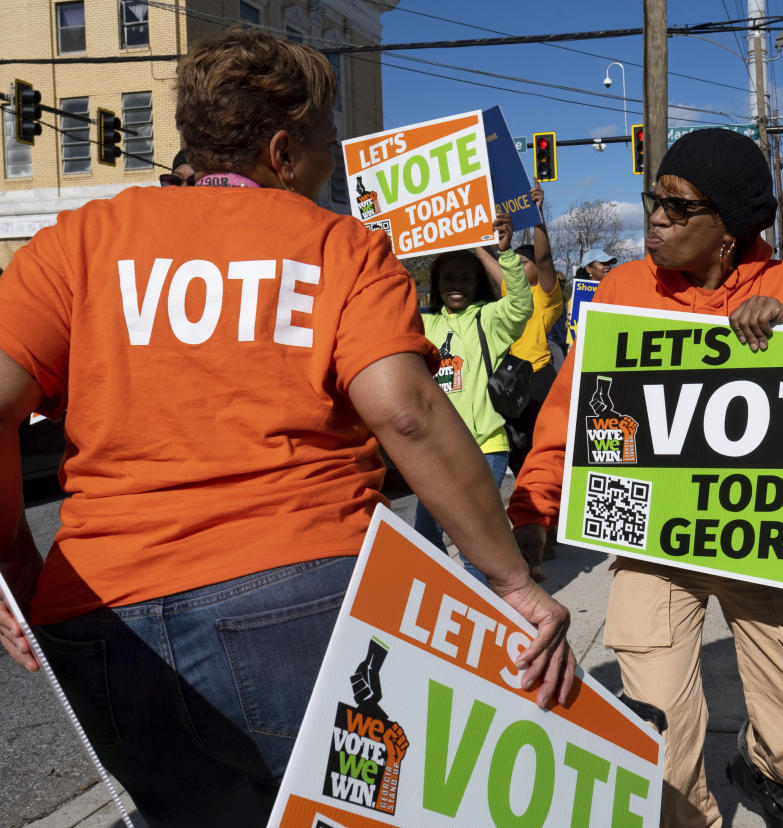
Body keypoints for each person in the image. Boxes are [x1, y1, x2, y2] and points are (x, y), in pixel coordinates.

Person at [0, 28, 573, 827]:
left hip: (100, 618)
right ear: (282, 151)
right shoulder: (339, 247)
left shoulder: (78, 243)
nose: (333, 163)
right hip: (298, 603)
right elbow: (406, 412)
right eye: (327, 142)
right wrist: (514, 586)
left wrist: (17, 569)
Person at [508, 128, 783, 828]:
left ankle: (766, 773)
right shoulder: (623, 288)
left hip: (766, 538)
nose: (654, 218)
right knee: (655, 736)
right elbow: (574, 404)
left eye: (677, 206)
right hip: (654, 542)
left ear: (729, 230)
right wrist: (534, 507)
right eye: (653, 199)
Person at [414, 212, 533, 576]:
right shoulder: (424, 322)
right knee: (423, 539)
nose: (456, 285)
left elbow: (521, 304)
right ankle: (443, 606)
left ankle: (482, 618)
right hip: (435, 450)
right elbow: (386, 306)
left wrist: (504, 254)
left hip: (485, 445)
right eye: (449, 278)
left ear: (477, 282)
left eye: (465, 279)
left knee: (473, 542)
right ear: (436, 283)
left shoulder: (490, 318)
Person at [477, 185, 561, 475]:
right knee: (517, 452)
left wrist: (538, 216)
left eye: (525, 262)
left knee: (541, 450)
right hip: (507, 379)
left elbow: (545, 259)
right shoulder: (510, 290)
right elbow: (487, 256)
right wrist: (464, 233)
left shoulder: (547, 295)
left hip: (538, 379)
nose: (520, 265)